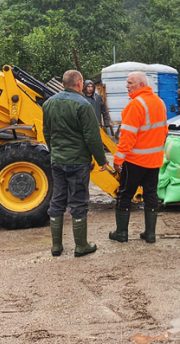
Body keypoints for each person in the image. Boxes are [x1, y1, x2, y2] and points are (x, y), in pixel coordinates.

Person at [43, 70, 108, 258]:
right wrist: (101, 159)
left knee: (57, 199)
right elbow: (92, 137)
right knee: (78, 201)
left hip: (57, 160)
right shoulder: (83, 105)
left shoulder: (48, 104)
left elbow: (46, 132)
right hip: (78, 162)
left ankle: (56, 246)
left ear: (64, 83)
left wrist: (54, 151)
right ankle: (81, 246)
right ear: (79, 83)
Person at [109, 72, 168, 244]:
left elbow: (127, 137)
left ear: (141, 84)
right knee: (151, 194)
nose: (127, 85)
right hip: (154, 160)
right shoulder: (159, 102)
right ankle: (150, 234)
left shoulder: (135, 105)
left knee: (125, 194)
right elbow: (164, 131)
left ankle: (122, 233)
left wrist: (118, 159)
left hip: (135, 161)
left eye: (130, 82)